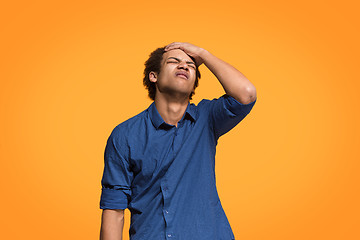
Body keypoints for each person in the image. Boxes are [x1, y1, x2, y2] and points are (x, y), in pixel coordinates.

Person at [99, 42, 257, 240]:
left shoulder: (206, 118)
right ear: (153, 76)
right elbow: (114, 210)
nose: (184, 66)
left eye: (191, 65)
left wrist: (203, 54)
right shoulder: (125, 135)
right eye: (174, 61)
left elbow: (247, 94)